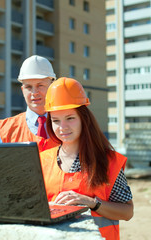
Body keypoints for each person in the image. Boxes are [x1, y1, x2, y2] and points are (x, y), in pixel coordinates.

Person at [40, 77, 134, 240]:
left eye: (70, 118)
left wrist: (92, 203)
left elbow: (127, 212)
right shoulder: (42, 160)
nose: (63, 127)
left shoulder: (108, 161)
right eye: (56, 120)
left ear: (84, 119)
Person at [0, 55, 57, 151]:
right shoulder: (6, 130)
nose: (34, 93)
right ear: (23, 90)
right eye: (28, 87)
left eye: (40, 85)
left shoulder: (66, 126)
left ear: (52, 87)